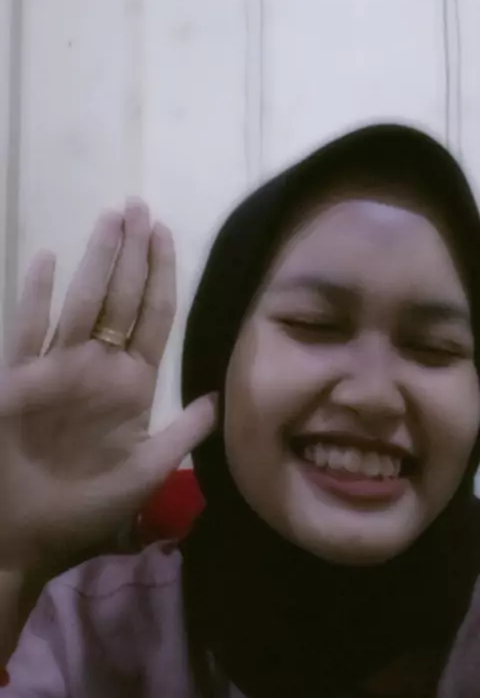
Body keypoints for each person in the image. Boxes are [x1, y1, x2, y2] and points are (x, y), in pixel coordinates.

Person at [1, 123, 480, 697]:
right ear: (218, 355)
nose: (373, 396)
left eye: (434, 348)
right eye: (313, 324)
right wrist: (13, 565)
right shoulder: (92, 635)